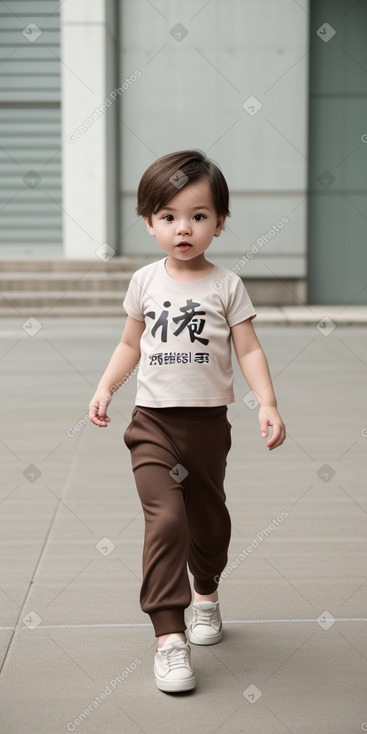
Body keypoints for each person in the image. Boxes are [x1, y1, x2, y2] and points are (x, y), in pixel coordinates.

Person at [88, 150, 286, 694]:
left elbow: (248, 351)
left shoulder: (226, 286)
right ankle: (168, 637)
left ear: (219, 223)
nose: (184, 228)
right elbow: (132, 342)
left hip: (207, 430)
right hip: (152, 424)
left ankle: (206, 593)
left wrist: (266, 402)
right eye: (169, 215)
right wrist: (106, 387)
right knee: (166, 521)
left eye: (198, 216)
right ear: (149, 221)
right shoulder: (145, 282)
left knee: (209, 525)